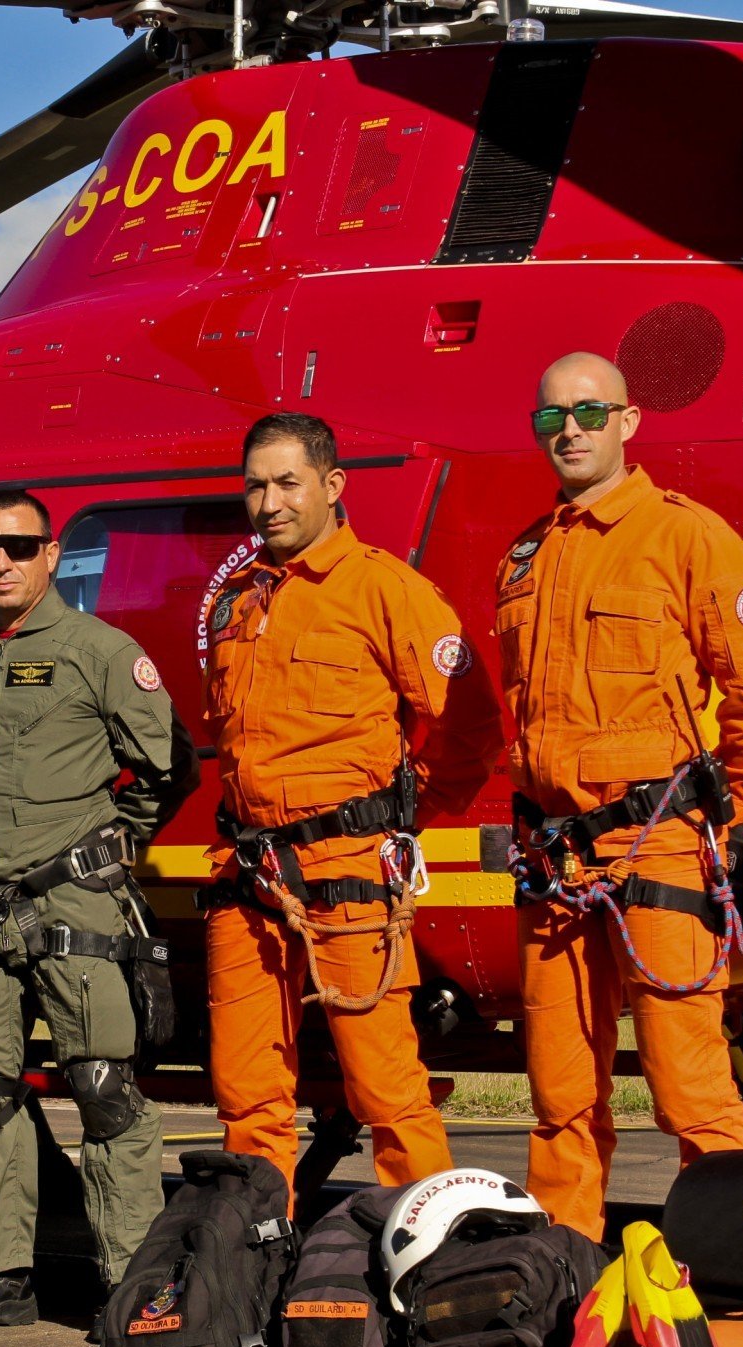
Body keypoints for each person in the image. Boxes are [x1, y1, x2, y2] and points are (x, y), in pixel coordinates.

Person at [500, 353, 743, 1241]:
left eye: (590, 411)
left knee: (691, 1089)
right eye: (551, 416)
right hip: (556, 864)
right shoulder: (525, 558)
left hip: (660, 852)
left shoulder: (686, 537)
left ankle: (735, 1278)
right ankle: (566, 1274)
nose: (571, 430)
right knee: (559, 1097)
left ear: (630, 422)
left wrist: (714, 814)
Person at [203, 413, 500, 1208]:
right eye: (256, 485)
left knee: (387, 1087)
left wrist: (409, 813)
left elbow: (473, 722)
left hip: (349, 873)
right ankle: (255, 1253)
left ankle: (435, 1261)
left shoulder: (385, 590)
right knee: (247, 1094)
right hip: (250, 873)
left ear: (332, 486)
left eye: (287, 483)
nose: (269, 503)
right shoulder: (234, 602)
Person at [0, 493, 196, 1330]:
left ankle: (132, 1283)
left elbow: (165, 765)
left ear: (49, 556)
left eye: (19, 546)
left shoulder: (99, 652)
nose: (1, 562)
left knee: (103, 1087)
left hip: (76, 902)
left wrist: (106, 845)